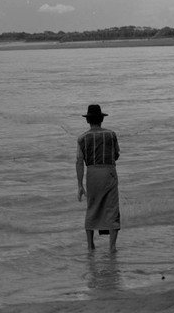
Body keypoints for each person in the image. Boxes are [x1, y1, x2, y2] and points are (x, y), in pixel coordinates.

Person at [76, 104, 121, 252]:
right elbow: (116, 155)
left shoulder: (82, 138)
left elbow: (79, 161)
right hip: (109, 173)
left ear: (88, 121)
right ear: (102, 119)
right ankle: (112, 246)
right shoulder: (111, 134)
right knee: (112, 208)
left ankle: (90, 245)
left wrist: (80, 185)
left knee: (92, 207)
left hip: (92, 175)